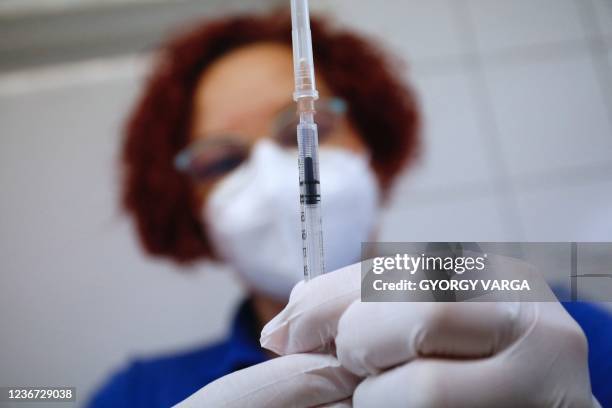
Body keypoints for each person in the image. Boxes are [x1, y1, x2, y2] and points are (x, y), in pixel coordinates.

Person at [88, 12, 612, 408]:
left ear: (373, 149)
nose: (276, 177)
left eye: (299, 133)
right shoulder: (137, 393)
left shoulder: (556, 335)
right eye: (223, 161)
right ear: (190, 209)